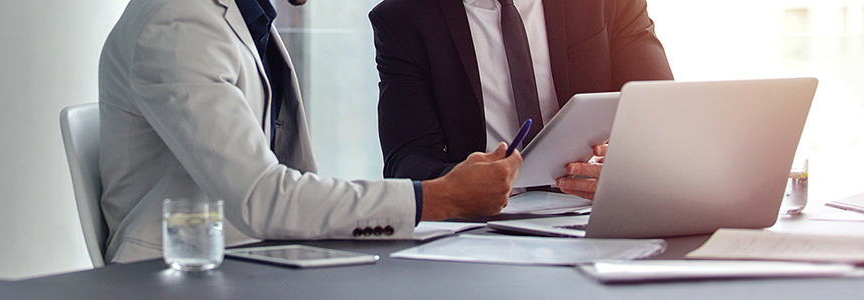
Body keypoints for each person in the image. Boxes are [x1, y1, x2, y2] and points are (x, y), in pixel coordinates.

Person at [97, 0, 523, 264]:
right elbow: (262, 198)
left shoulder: (246, 17)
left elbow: (288, 183)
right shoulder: (178, 24)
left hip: (251, 257)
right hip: (177, 273)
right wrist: (441, 197)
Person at [370, 0, 673, 199]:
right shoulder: (403, 19)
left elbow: (667, 115)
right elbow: (406, 160)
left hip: (598, 211)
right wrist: (458, 182)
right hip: (483, 228)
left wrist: (628, 170)